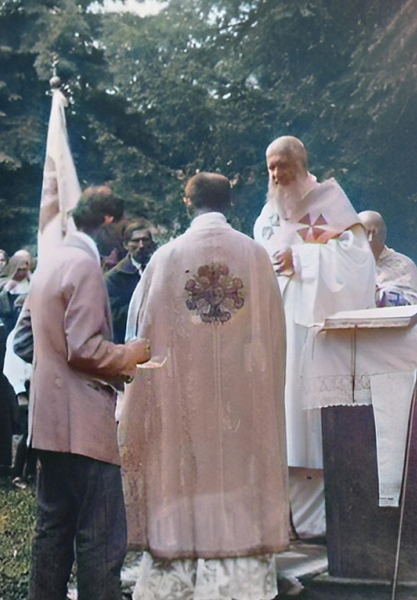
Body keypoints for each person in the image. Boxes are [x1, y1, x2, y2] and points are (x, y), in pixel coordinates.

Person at [120, 173, 289, 600]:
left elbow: (143, 332)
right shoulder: (255, 255)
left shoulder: (167, 256)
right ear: (229, 202)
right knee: (234, 473)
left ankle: (180, 575)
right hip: (239, 392)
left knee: (185, 474)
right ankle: (236, 580)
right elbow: (272, 335)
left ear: (187, 201)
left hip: (184, 393)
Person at [26, 191, 152, 600]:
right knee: (100, 533)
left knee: (53, 527)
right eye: (120, 228)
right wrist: (128, 355)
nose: (122, 237)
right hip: (82, 424)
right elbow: (84, 348)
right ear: (109, 220)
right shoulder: (84, 266)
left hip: (47, 420)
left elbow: (27, 339)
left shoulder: (52, 260)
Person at [253, 136, 376, 539]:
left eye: (282, 165)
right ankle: (284, 519)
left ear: (301, 163)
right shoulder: (268, 216)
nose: (275, 174)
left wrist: (302, 259)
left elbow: (359, 262)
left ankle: (321, 524)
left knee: (309, 418)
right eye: (270, 167)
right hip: (276, 328)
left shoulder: (331, 205)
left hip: (313, 330)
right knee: (281, 419)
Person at [105, 219, 157, 344]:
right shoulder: (114, 277)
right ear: (126, 245)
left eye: (145, 240)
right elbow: (112, 316)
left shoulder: (160, 269)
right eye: (135, 241)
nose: (141, 245)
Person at [358, 210, 417, 307]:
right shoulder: (346, 264)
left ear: (371, 234)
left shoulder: (403, 265)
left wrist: (381, 295)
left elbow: (415, 304)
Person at [0, 253, 31, 333]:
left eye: (24, 269)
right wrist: (5, 291)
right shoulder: (3, 283)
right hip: (9, 324)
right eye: (19, 270)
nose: (22, 272)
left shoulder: (30, 282)